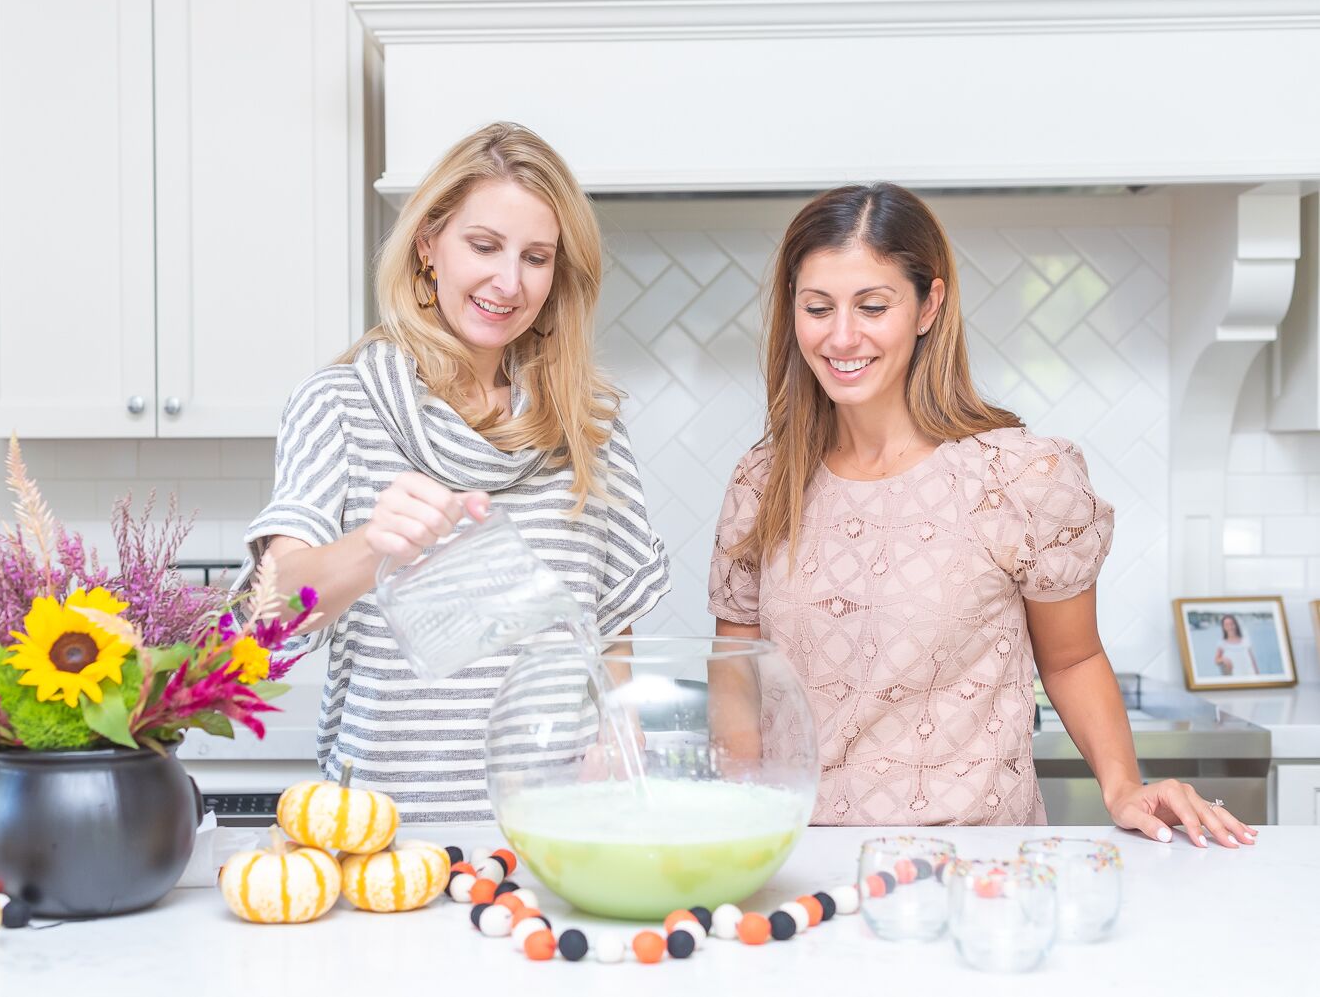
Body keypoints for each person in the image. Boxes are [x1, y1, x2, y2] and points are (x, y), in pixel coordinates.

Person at [708, 183, 1255, 847]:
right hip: (799, 859)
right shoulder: (765, 482)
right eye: (817, 307)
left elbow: (1074, 658)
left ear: (928, 306)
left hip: (973, 867)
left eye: (873, 306)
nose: (841, 335)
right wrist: (742, 811)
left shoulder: (1017, 478)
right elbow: (737, 669)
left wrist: (1123, 784)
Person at [244, 123, 669, 823]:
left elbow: (612, 633)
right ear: (428, 245)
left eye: (536, 257)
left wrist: (618, 741)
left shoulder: (587, 425)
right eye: (483, 246)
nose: (509, 281)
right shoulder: (342, 403)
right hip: (388, 840)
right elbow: (272, 615)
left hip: (555, 836)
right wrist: (372, 544)